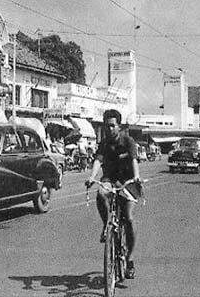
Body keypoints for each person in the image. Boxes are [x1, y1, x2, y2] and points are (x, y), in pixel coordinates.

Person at [85, 109, 141, 280]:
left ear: (119, 126)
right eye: (106, 126)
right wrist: (92, 177)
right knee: (101, 194)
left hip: (128, 182)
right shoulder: (103, 144)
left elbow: (133, 160)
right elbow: (98, 161)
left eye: (112, 126)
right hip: (110, 179)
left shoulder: (128, 141)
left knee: (129, 218)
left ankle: (129, 259)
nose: (109, 129)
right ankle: (106, 226)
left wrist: (137, 177)